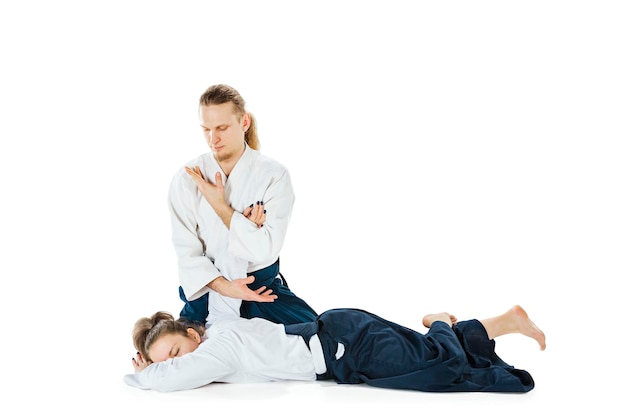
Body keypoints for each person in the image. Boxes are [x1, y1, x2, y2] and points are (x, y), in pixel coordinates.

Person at [124, 304, 546, 393]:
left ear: (192, 336)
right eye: (167, 361)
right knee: (424, 355)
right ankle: (507, 320)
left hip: (346, 345)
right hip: (341, 335)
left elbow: (175, 378)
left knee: (440, 369)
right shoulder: (217, 334)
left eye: (176, 352)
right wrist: (153, 362)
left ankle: (440, 322)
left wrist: (145, 373)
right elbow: (176, 370)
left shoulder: (220, 346)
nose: (178, 364)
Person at [167, 83, 317, 326]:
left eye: (222, 128)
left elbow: (264, 250)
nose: (213, 139)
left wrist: (221, 208)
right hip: (205, 293)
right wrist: (225, 286)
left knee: (319, 341)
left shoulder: (274, 175)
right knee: (179, 356)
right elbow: (186, 252)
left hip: (261, 291)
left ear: (244, 123)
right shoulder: (187, 179)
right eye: (206, 129)